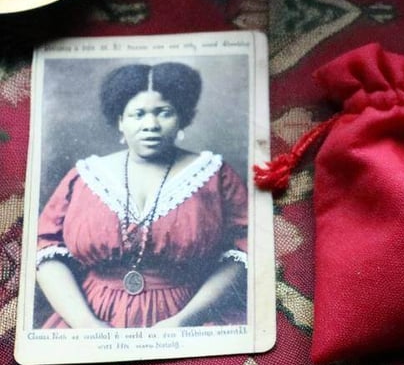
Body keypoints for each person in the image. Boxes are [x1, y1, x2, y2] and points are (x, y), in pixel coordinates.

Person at [36, 62, 249, 329]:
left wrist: (185, 319)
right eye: (138, 114)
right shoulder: (85, 176)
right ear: (120, 121)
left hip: (188, 316)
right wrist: (85, 324)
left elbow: (243, 251)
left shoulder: (213, 174)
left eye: (163, 113)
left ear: (182, 117)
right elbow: (45, 251)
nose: (151, 124)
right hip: (88, 316)